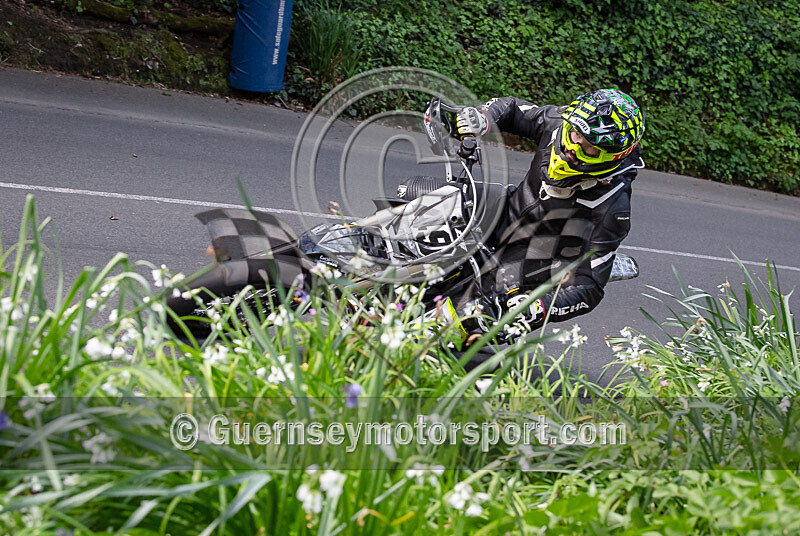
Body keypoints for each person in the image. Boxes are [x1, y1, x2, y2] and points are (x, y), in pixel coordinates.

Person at [452, 89, 645, 343]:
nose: (574, 147)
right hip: (509, 207)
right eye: (576, 135)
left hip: (536, 256)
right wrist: (483, 118)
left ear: (612, 158)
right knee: (434, 199)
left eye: (590, 149)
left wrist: (539, 307)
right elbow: (512, 108)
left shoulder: (614, 207)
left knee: (468, 319)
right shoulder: (562, 121)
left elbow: (589, 287)